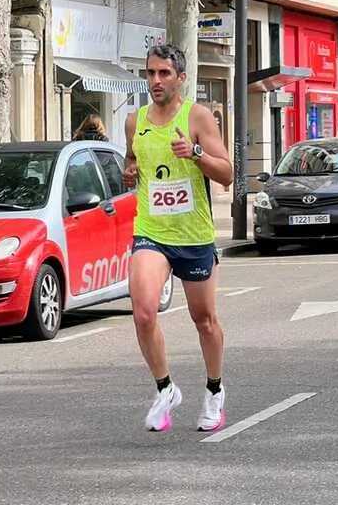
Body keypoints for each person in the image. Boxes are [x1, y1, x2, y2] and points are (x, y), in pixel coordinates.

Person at [122, 44, 234, 433]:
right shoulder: (135, 121)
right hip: (151, 229)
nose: (155, 81)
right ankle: (165, 388)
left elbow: (227, 173)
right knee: (143, 312)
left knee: (204, 320)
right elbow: (133, 157)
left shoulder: (197, 116)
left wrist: (196, 152)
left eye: (164, 74)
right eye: (150, 73)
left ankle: (215, 391)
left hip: (194, 232)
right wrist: (131, 169)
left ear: (181, 78)